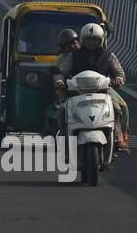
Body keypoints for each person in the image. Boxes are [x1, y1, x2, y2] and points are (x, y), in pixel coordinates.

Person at [54, 22, 130, 151]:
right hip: (77, 90)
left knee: (120, 107)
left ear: (101, 40)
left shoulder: (109, 56)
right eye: (89, 40)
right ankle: (64, 137)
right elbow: (62, 72)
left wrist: (118, 79)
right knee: (62, 110)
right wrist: (60, 81)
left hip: (103, 90)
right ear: (82, 40)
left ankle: (120, 137)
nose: (92, 43)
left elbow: (119, 73)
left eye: (95, 40)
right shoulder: (73, 56)